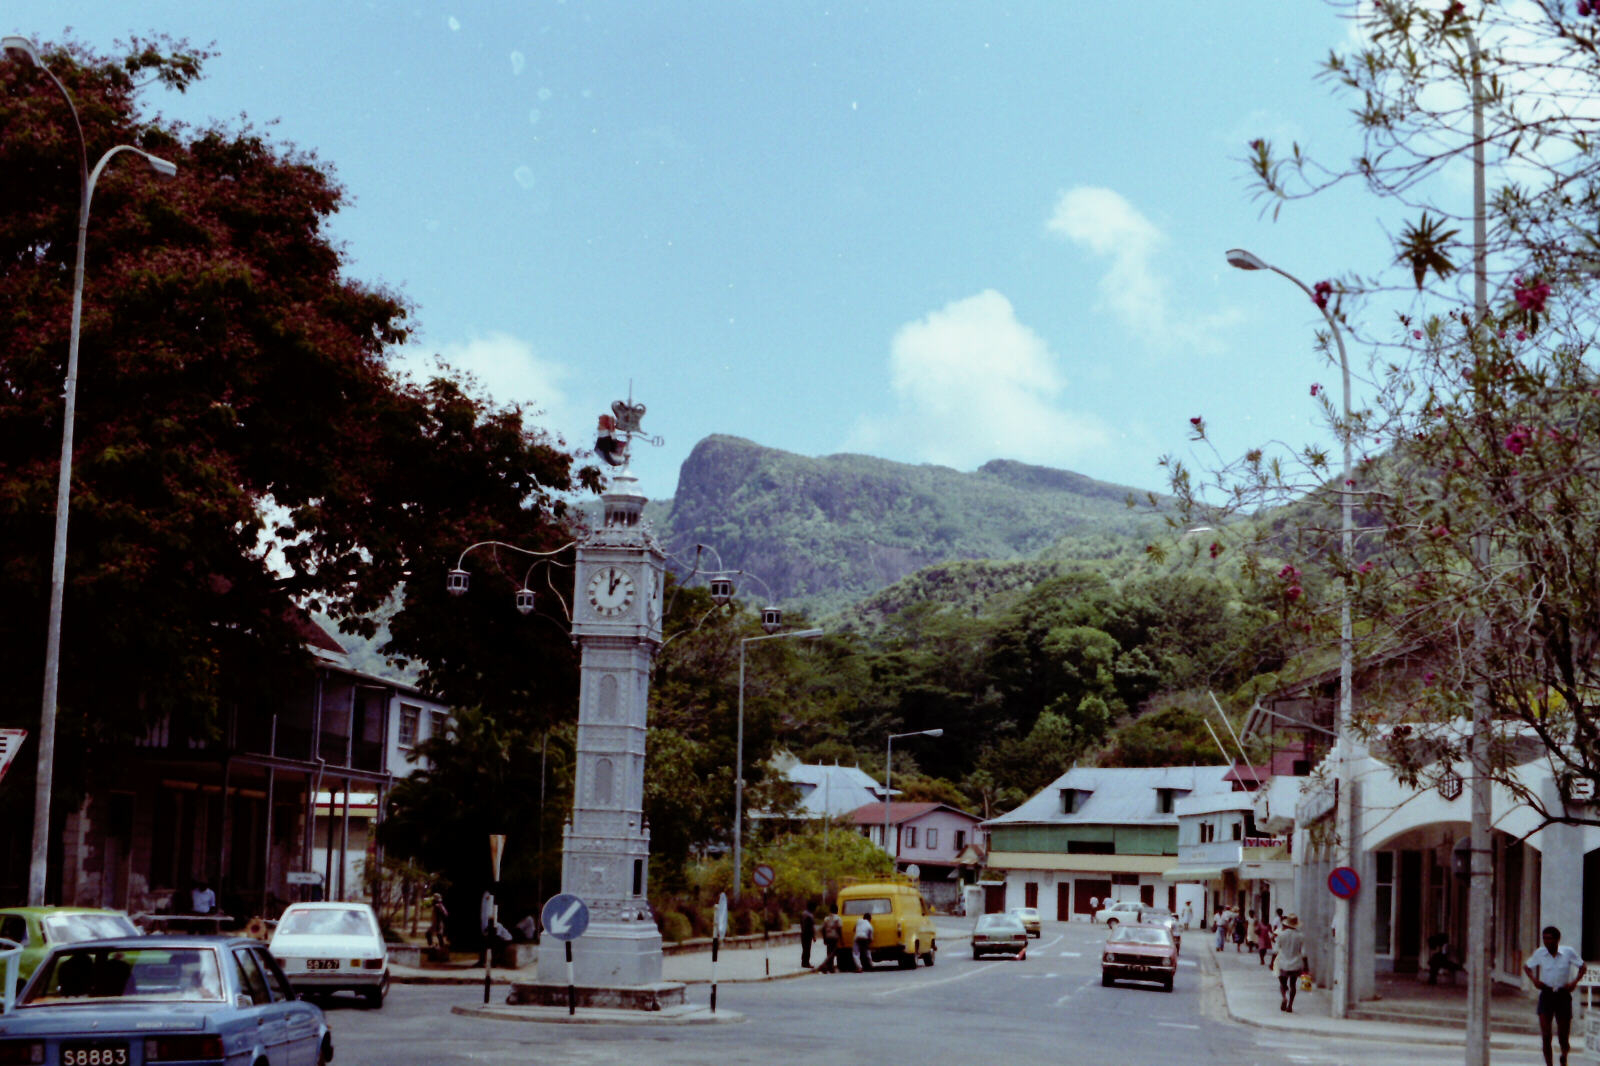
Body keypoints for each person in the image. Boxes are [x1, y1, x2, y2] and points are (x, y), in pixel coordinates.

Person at [1524, 925, 1584, 1066]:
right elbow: (1527, 967)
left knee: (1563, 1035)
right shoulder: (1540, 953)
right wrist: (1535, 981)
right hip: (1546, 994)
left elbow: (1583, 966)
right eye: (1544, 938)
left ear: (1557, 939)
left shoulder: (1568, 952)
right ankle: (1549, 1064)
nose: (1547, 942)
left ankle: (1564, 1056)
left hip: (1563, 994)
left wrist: (1574, 982)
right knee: (1546, 1035)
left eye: (1550, 939)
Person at [1275, 914, 1307, 1013]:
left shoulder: (1281, 935)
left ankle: (1284, 997)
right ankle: (1290, 1006)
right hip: (1296, 963)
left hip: (1283, 962)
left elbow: (1276, 949)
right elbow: (1304, 953)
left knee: (1283, 984)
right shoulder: (1300, 936)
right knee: (1293, 985)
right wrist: (1306, 966)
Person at [800, 903, 816, 969]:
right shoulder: (810, 916)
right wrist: (814, 936)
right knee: (807, 949)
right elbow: (811, 927)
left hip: (803, 933)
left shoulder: (803, 914)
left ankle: (803, 962)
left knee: (804, 948)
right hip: (808, 934)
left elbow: (801, 923)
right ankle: (806, 963)